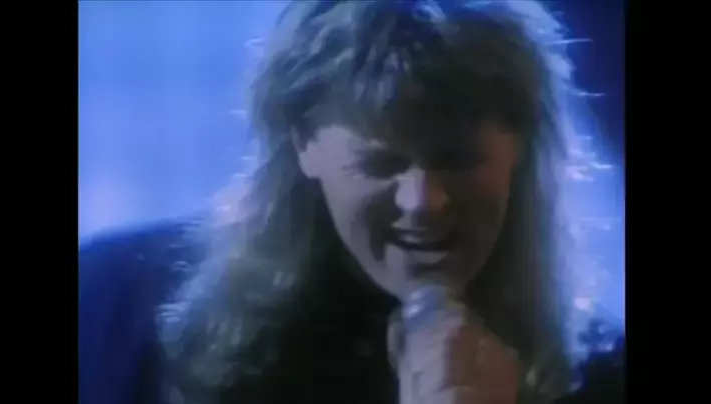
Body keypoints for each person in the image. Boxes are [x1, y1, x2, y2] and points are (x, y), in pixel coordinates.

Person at [78, 1, 624, 404]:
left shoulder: (603, 374)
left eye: (457, 159)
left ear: (520, 148)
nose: (423, 201)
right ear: (303, 144)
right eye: (381, 164)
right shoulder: (119, 309)